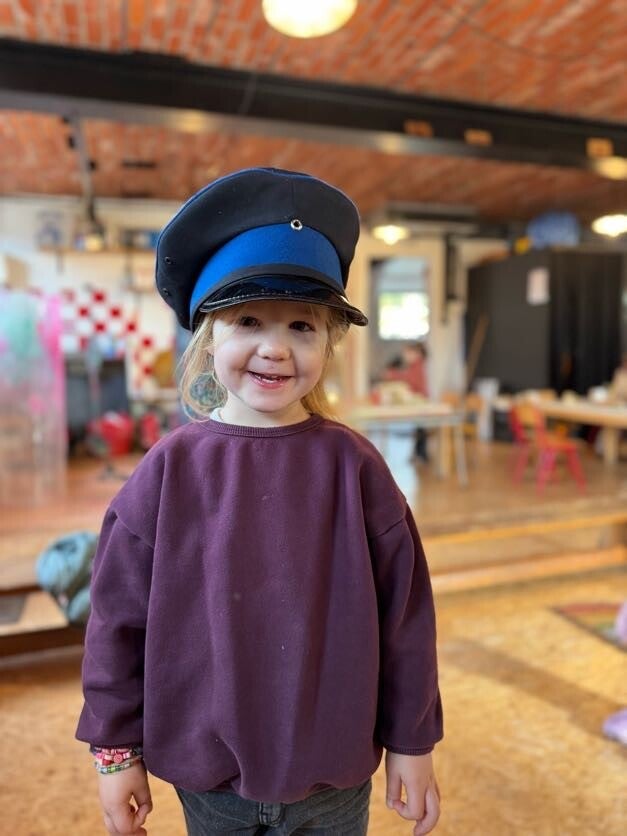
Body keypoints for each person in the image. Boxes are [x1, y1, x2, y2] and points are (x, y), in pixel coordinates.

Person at [76, 168, 443, 836]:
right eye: (248, 320)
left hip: (333, 776)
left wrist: (412, 741)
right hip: (208, 777)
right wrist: (115, 753)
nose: (275, 347)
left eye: (302, 325)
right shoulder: (169, 470)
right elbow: (116, 621)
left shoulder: (356, 468)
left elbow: (405, 617)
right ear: (208, 337)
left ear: (328, 342)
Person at [383, 342, 430, 462]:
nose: (405, 356)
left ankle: (420, 454)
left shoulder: (417, 366)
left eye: (408, 353)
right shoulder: (415, 366)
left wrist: (393, 375)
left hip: (420, 403)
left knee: (419, 430)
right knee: (419, 429)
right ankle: (419, 453)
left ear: (416, 353)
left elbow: (410, 381)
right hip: (419, 402)